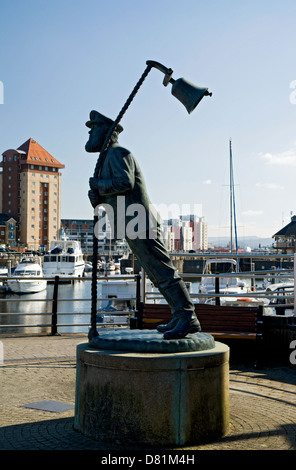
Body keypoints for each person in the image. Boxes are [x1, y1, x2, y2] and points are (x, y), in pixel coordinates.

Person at [86, 110, 201, 340]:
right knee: (158, 275)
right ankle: (180, 315)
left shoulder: (118, 153)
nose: (90, 131)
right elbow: (114, 192)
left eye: (94, 128)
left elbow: (124, 182)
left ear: (106, 132)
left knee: (164, 272)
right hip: (132, 224)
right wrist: (97, 196)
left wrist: (99, 185)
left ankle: (188, 317)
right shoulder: (109, 157)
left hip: (141, 222)